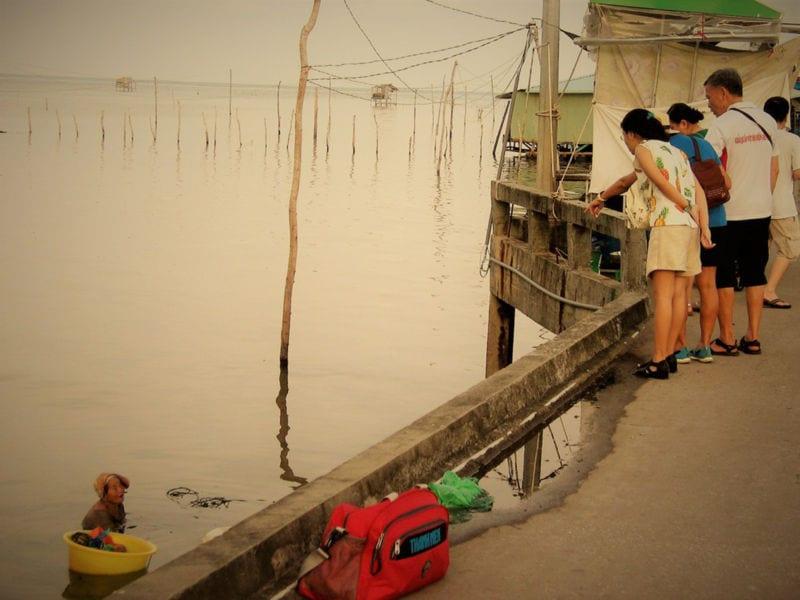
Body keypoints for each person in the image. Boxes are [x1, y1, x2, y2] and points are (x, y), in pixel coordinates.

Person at [587, 109, 711, 378]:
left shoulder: (643, 150)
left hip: (668, 224)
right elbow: (626, 182)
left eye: (625, 138)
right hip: (689, 227)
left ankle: (657, 360)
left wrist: (681, 203)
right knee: (679, 296)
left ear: (633, 134)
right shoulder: (676, 153)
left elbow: (658, 180)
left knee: (663, 297)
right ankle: (670, 355)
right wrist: (704, 225)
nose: (627, 144)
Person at [703, 68, 779, 355]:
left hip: (728, 213)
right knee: (755, 272)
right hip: (761, 211)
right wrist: (763, 198)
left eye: (710, 96)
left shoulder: (721, 126)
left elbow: (709, 171)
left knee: (723, 275)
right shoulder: (767, 121)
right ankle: (753, 337)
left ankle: (727, 338)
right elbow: (774, 168)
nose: (709, 103)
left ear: (723, 93)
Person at [667, 102, 731, 363]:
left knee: (682, 288)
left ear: (682, 124)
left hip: (690, 222)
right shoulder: (708, 147)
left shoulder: (675, 145)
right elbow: (727, 183)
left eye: (671, 126)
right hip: (717, 221)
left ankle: (680, 347)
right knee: (708, 286)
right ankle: (704, 345)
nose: (670, 131)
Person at [762, 96, 800, 309]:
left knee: (760, 248)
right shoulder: (792, 140)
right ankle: (769, 291)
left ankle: (757, 288)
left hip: (757, 204)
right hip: (781, 204)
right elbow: (797, 173)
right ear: (786, 116)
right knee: (790, 248)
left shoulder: (759, 136)